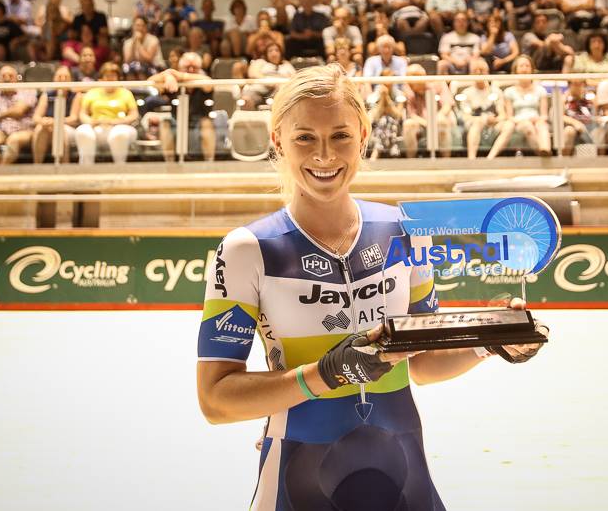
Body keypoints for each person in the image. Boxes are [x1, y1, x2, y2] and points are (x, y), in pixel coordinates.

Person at [195, 64, 545, 510]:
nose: (324, 155)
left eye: (340, 136)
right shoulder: (248, 249)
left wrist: (491, 340)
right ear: (278, 141)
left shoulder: (404, 231)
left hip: (405, 472)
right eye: (305, 137)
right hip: (297, 474)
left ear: (363, 136)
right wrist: (327, 373)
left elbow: (421, 365)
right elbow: (215, 400)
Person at [148, 52, 216, 161]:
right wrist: (167, 75)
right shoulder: (173, 81)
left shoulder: (202, 79)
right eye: (187, 67)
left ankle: (209, 163)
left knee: (206, 123)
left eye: (194, 67)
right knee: (165, 124)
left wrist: (182, 76)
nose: (191, 70)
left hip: (198, 122)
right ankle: (169, 164)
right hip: (177, 122)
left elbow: (208, 83)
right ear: (180, 67)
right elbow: (150, 81)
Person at [75, 62, 139, 165]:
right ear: (102, 78)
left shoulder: (126, 93)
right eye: (107, 76)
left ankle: (120, 167)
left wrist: (117, 121)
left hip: (120, 126)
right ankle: (86, 168)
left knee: (119, 133)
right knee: (82, 131)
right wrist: (91, 121)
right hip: (97, 127)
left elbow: (134, 115)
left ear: (118, 78)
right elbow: (83, 114)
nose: (110, 79)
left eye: (113, 76)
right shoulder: (92, 92)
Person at [459, 57, 514, 159]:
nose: (479, 73)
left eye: (482, 70)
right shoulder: (466, 93)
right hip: (473, 126)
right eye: (476, 71)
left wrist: (495, 120)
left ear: (488, 73)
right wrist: (483, 119)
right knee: (477, 123)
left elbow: (502, 115)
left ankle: (490, 158)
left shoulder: (496, 91)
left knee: (509, 124)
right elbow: (465, 116)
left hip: (492, 126)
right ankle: (471, 159)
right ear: (471, 74)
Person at [402, 63, 456, 158]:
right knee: (408, 124)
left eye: (412, 79)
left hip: (440, 118)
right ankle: (411, 163)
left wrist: (436, 118)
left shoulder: (438, 83)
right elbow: (412, 114)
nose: (409, 84)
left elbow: (447, 105)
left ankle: (446, 161)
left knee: (441, 122)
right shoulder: (409, 90)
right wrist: (426, 123)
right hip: (421, 122)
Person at [503, 55, 551, 156]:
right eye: (521, 66)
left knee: (542, 126)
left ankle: (546, 150)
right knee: (527, 126)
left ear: (532, 69)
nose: (524, 68)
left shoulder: (541, 90)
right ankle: (544, 157)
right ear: (515, 70)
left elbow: (544, 115)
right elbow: (509, 117)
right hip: (519, 122)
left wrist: (539, 119)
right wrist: (525, 120)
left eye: (527, 66)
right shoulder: (509, 91)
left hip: (536, 120)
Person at [31, 65, 80, 163]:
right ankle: (37, 168)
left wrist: (56, 122)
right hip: (49, 126)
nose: (62, 80)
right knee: (40, 128)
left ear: (71, 80)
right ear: (54, 79)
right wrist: (43, 121)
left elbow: (73, 119)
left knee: (59, 130)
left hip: (67, 127)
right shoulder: (46, 95)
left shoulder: (76, 96)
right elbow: (36, 117)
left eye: (65, 77)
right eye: (59, 77)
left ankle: (64, 170)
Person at [242, 43, 296, 110]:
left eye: (276, 50)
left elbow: (294, 78)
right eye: (270, 51)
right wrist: (268, 81)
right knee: (246, 99)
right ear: (266, 54)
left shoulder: (286, 65)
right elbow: (252, 73)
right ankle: (248, 119)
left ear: (280, 53)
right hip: (258, 90)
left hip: (278, 92)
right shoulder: (260, 62)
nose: (274, 53)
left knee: (284, 92)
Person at [437, 11, 480, 76]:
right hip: (451, 64)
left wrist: (465, 62)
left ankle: (474, 85)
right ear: (454, 23)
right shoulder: (446, 37)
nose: (461, 23)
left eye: (463, 20)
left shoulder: (475, 37)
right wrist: (456, 62)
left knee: (476, 64)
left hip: (469, 64)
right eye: (458, 20)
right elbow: (444, 55)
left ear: (468, 22)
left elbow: (475, 55)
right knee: (441, 64)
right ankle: (443, 86)